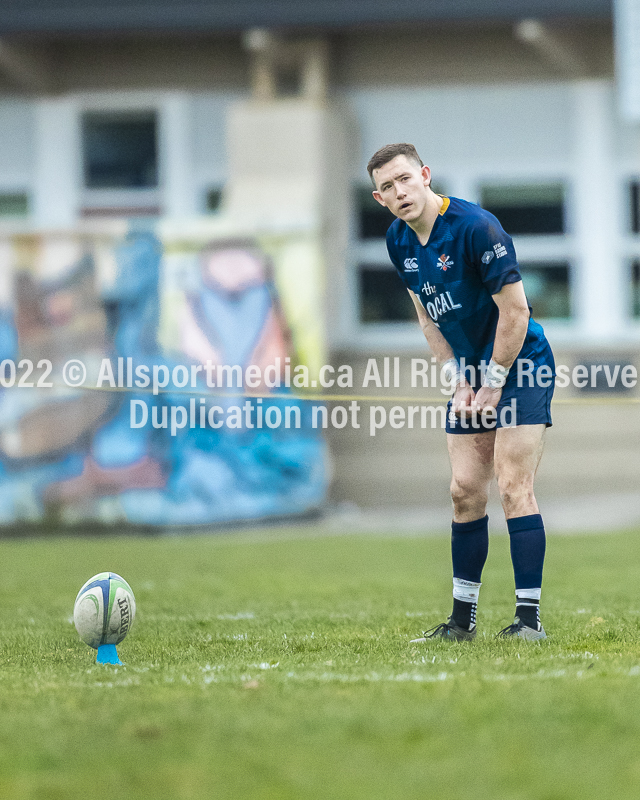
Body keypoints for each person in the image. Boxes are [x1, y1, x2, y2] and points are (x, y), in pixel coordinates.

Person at [367, 143, 555, 641]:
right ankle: (461, 622)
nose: (399, 191)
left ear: (425, 175)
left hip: (521, 364)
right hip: (472, 372)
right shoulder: (397, 240)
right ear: (379, 197)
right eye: (387, 187)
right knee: (464, 490)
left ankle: (528, 622)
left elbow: (516, 315)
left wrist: (492, 382)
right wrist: (457, 379)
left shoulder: (476, 228)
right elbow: (428, 315)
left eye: (405, 179)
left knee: (514, 486)